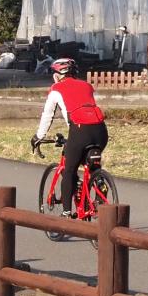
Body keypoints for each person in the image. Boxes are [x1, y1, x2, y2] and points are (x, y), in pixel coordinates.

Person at [30, 56, 107, 216]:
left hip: (80, 131)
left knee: (69, 171)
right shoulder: (87, 86)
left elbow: (47, 115)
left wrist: (38, 136)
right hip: (101, 131)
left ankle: (66, 214)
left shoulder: (56, 89)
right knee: (92, 165)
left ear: (57, 75)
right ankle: (99, 184)